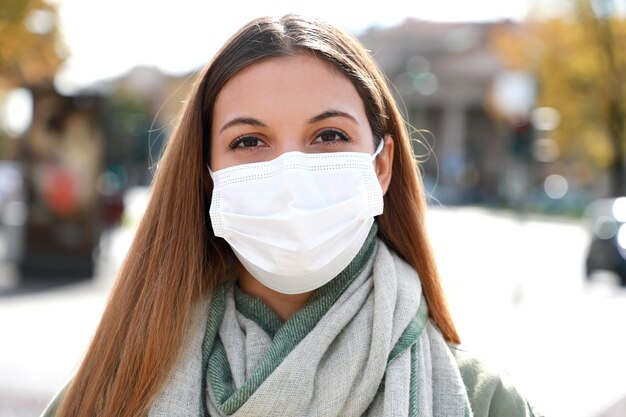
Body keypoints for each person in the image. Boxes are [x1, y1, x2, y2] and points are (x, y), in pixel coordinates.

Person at [42, 14, 541, 417]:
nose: (291, 177)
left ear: (381, 165)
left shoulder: (486, 402)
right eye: (249, 141)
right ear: (206, 175)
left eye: (328, 136)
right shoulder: (102, 398)